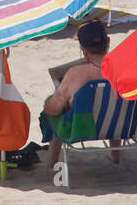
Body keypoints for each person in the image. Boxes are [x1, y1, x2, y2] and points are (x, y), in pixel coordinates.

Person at [42, 20, 114, 167]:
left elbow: (52, 109)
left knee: (56, 110)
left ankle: (52, 163)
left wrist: (52, 99)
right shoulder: (125, 70)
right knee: (112, 104)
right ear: (108, 42)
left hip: (82, 128)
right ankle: (116, 155)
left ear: (83, 49)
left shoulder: (75, 74)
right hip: (121, 126)